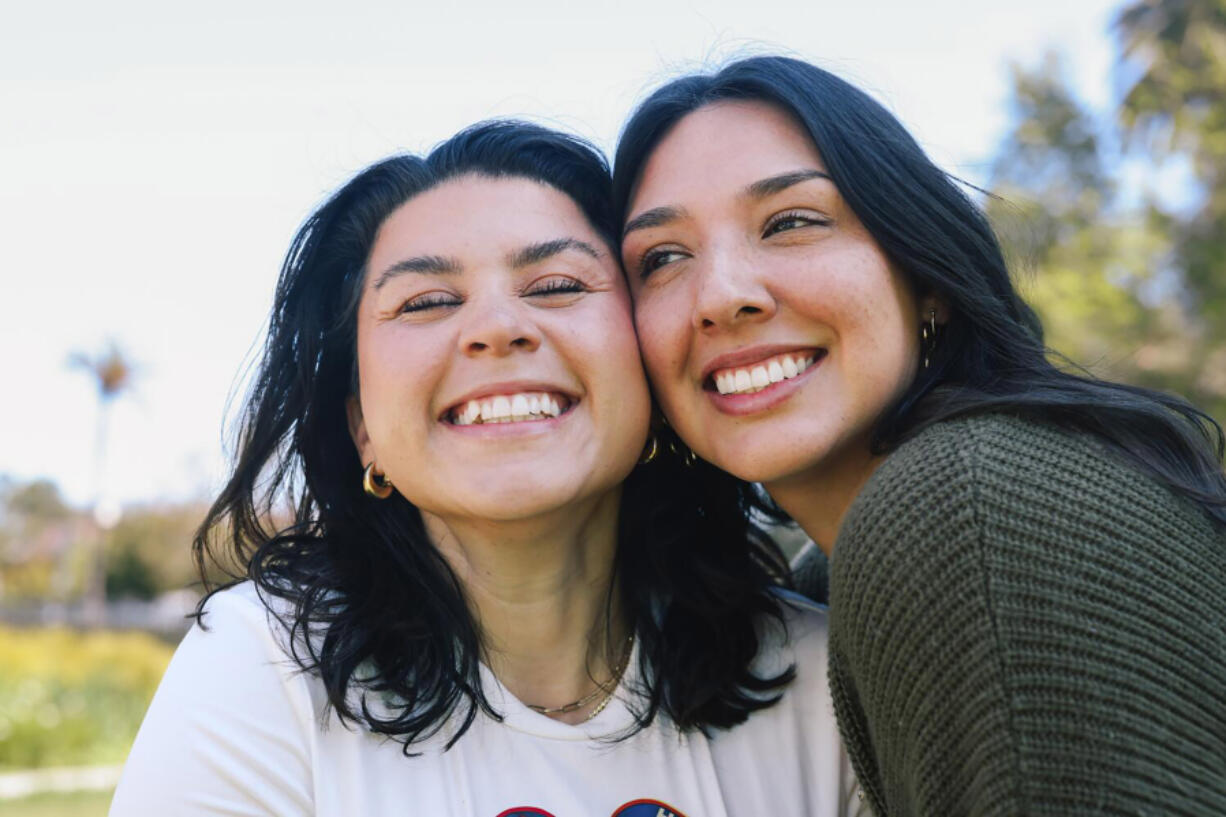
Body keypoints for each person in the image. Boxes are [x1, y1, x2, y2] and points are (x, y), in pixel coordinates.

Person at [109, 120, 844, 816]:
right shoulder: (259, 671)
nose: (497, 328)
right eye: (427, 301)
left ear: (649, 372)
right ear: (363, 428)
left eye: (557, 285)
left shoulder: (824, 683)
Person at [612, 56, 1226, 815]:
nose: (722, 296)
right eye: (662, 258)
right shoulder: (818, 590)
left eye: (792, 222)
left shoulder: (966, 509)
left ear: (926, 276)